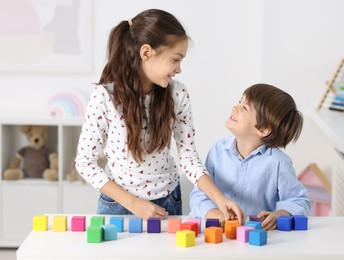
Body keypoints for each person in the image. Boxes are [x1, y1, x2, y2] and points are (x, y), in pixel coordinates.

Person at [75, 9, 244, 223]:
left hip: (167, 203)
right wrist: (132, 203)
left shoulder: (177, 94)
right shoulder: (105, 97)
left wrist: (220, 199)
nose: (179, 69)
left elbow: (188, 157)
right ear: (146, 52)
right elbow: (85, 162)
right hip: (118, 205)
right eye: (175, 60)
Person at [189, 83, 312, 230]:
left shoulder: (279, 162)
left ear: (263, 129)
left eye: (245, 108)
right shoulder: (218, 151)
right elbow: (199, 195)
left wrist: (279, 214)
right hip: (217, 235)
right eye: (240, 101)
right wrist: (216, 214)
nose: (235, 107)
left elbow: (299, 200)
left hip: (256, 239)